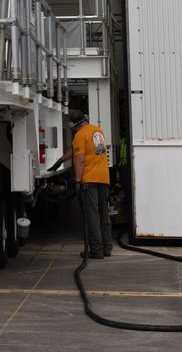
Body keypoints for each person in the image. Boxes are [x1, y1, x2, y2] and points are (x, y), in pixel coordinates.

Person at [49, 109, 113, 258]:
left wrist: (77, 180)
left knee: (92, 215)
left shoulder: (79, 135)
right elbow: (84, 150)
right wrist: (60, 160)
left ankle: (96, 250)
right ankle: (107, 248)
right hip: (104, 178)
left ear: (73, 125)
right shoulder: (98, 131)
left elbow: (80, 158)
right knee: (104, 214)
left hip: (89, 180)